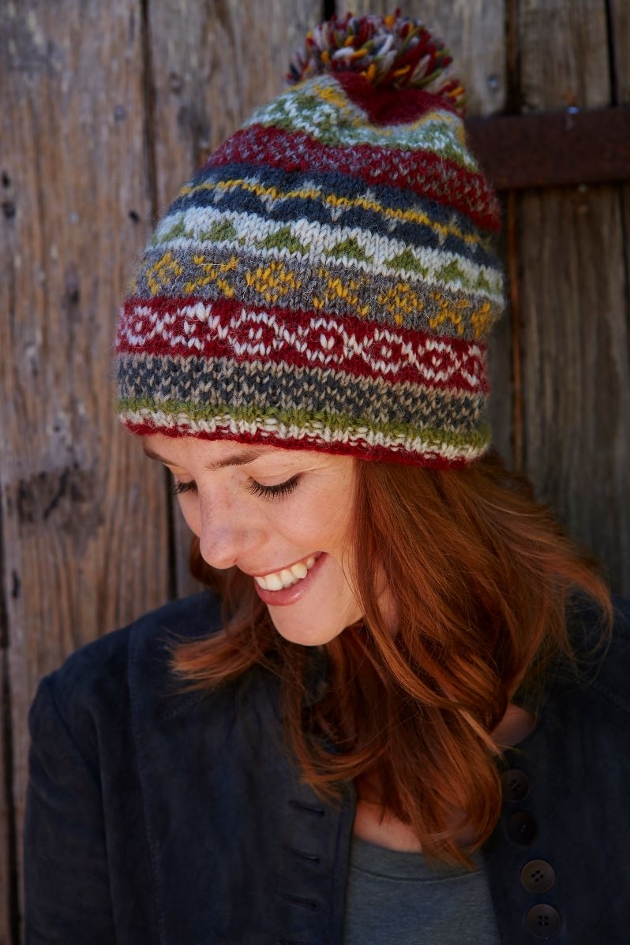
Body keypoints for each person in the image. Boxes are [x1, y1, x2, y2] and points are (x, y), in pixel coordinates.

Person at [24, 11, 630, 944]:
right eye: (182, 481)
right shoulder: (104, 729)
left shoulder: (614, 709)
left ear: (413, 460)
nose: (215, 543)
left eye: (267, 479)